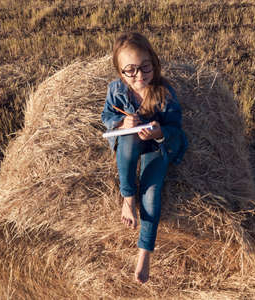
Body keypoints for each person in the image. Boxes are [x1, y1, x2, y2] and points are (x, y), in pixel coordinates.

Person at [101, 32, 187, 284]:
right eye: (130, 70)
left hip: (156, 146)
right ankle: (127, 196)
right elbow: (106, 117)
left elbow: (176, 128)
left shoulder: (165, 93)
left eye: (145, 67)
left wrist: (160, 132)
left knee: (151, 191)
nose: (139, 76)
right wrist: (121, 122)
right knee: (127, 139)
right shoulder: (116, 90)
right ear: (120, 72)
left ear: (154, 62)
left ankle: (144, 253)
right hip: (129, 143)